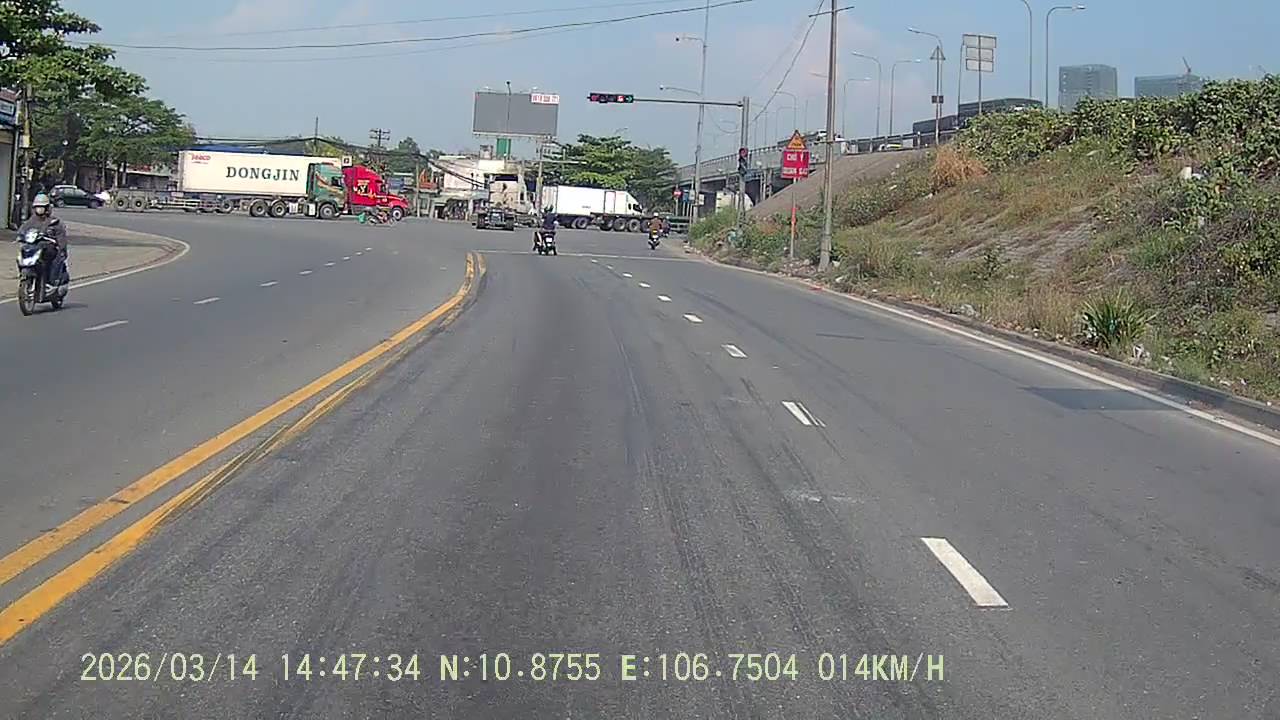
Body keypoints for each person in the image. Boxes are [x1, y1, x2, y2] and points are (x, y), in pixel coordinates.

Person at [18, 193, 69, 288]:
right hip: (33, 247)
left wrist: (61, 246)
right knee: (22, 254)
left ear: (47, 208)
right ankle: (24, 275)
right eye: (37, 207)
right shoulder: (31, 221)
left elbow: (61, 236)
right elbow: (22, 230)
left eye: (42, 207)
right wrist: (20, 236)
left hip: (48, 247)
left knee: (53, 258)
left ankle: (51, 281)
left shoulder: (54, 222)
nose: (39, 209)